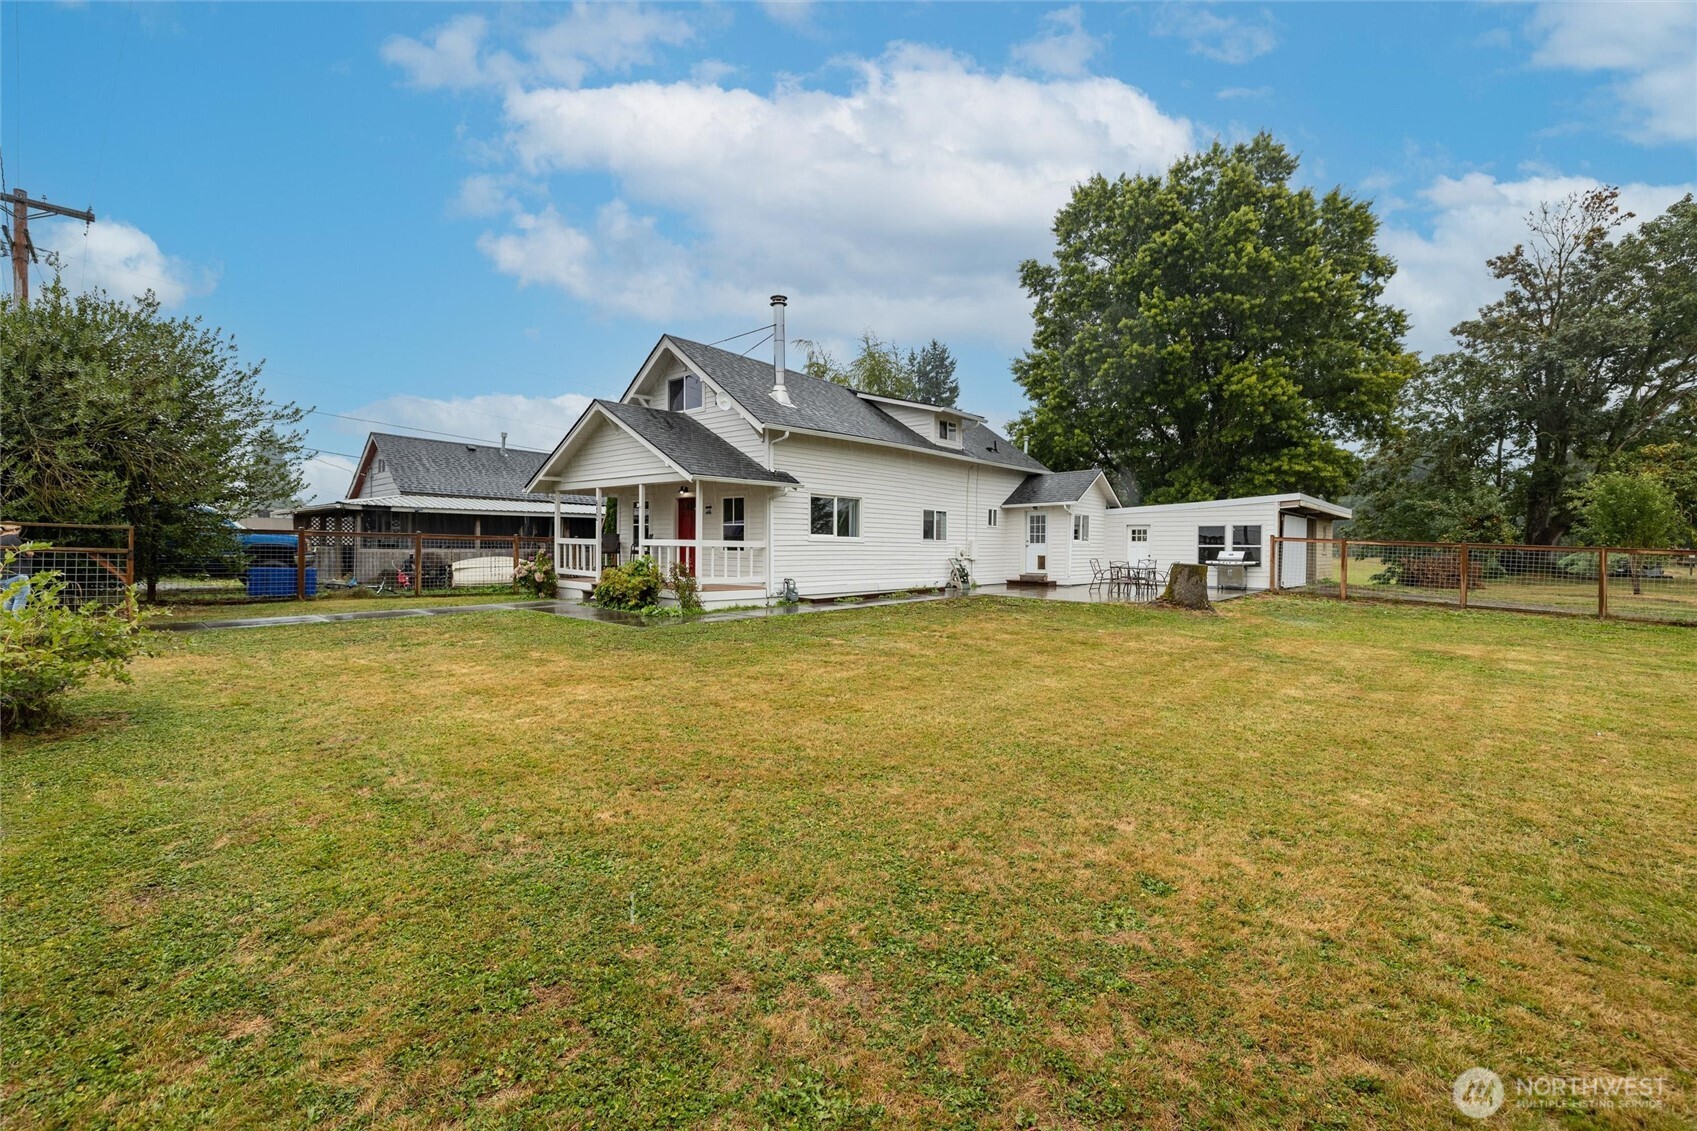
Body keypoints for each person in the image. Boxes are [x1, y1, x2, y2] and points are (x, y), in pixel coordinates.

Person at [1, 524, 34, 613]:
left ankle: (5, 622)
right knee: (21, 599)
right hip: (16, 575)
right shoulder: (12, 539)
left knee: (9, 600)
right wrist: (30, 550)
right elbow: (28, 553)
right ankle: (18, 623)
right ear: (15, 529)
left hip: (3, 576)